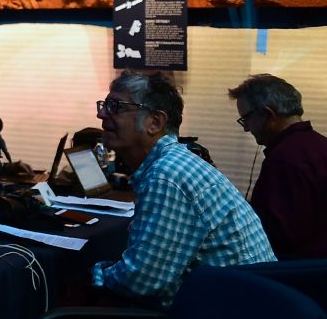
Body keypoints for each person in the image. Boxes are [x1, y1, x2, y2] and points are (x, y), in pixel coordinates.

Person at [91, 72, 274, 309]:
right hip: (243, 302)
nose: (101, 114)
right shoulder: (173, 163)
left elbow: (140, 282)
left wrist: (96, 272)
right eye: (104, 105)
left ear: (154, 122)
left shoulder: (167, 176)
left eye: (115, 106)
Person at [226, 74, 327, 258]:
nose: (246, 128)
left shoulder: (284, 160)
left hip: (296, 274)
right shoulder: (320, 145)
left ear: (268, 114)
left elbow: (274, 236)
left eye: (246, 119)